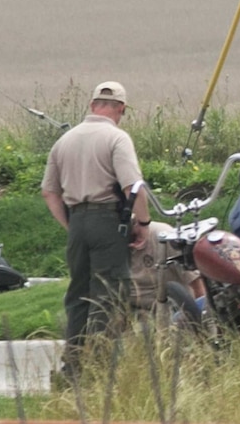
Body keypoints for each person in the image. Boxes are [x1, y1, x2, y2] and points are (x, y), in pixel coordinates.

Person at [41, 81, 151, 375]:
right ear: (121, 109)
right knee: (110, 293)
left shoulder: (64, 141)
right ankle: (102, 366)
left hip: (77, 222)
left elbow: (49, 192)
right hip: (108, 221)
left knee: (78, 294)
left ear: (92, 106)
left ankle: (72, 364)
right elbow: (132, 186)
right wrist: (143, 223)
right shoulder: (116, 138)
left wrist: (71, 224)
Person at [130, 221, 205, 313]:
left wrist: (203, 316)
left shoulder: (164, 235)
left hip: (175, 308)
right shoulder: (110, 247)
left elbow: (196, 282)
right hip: (133, 308)